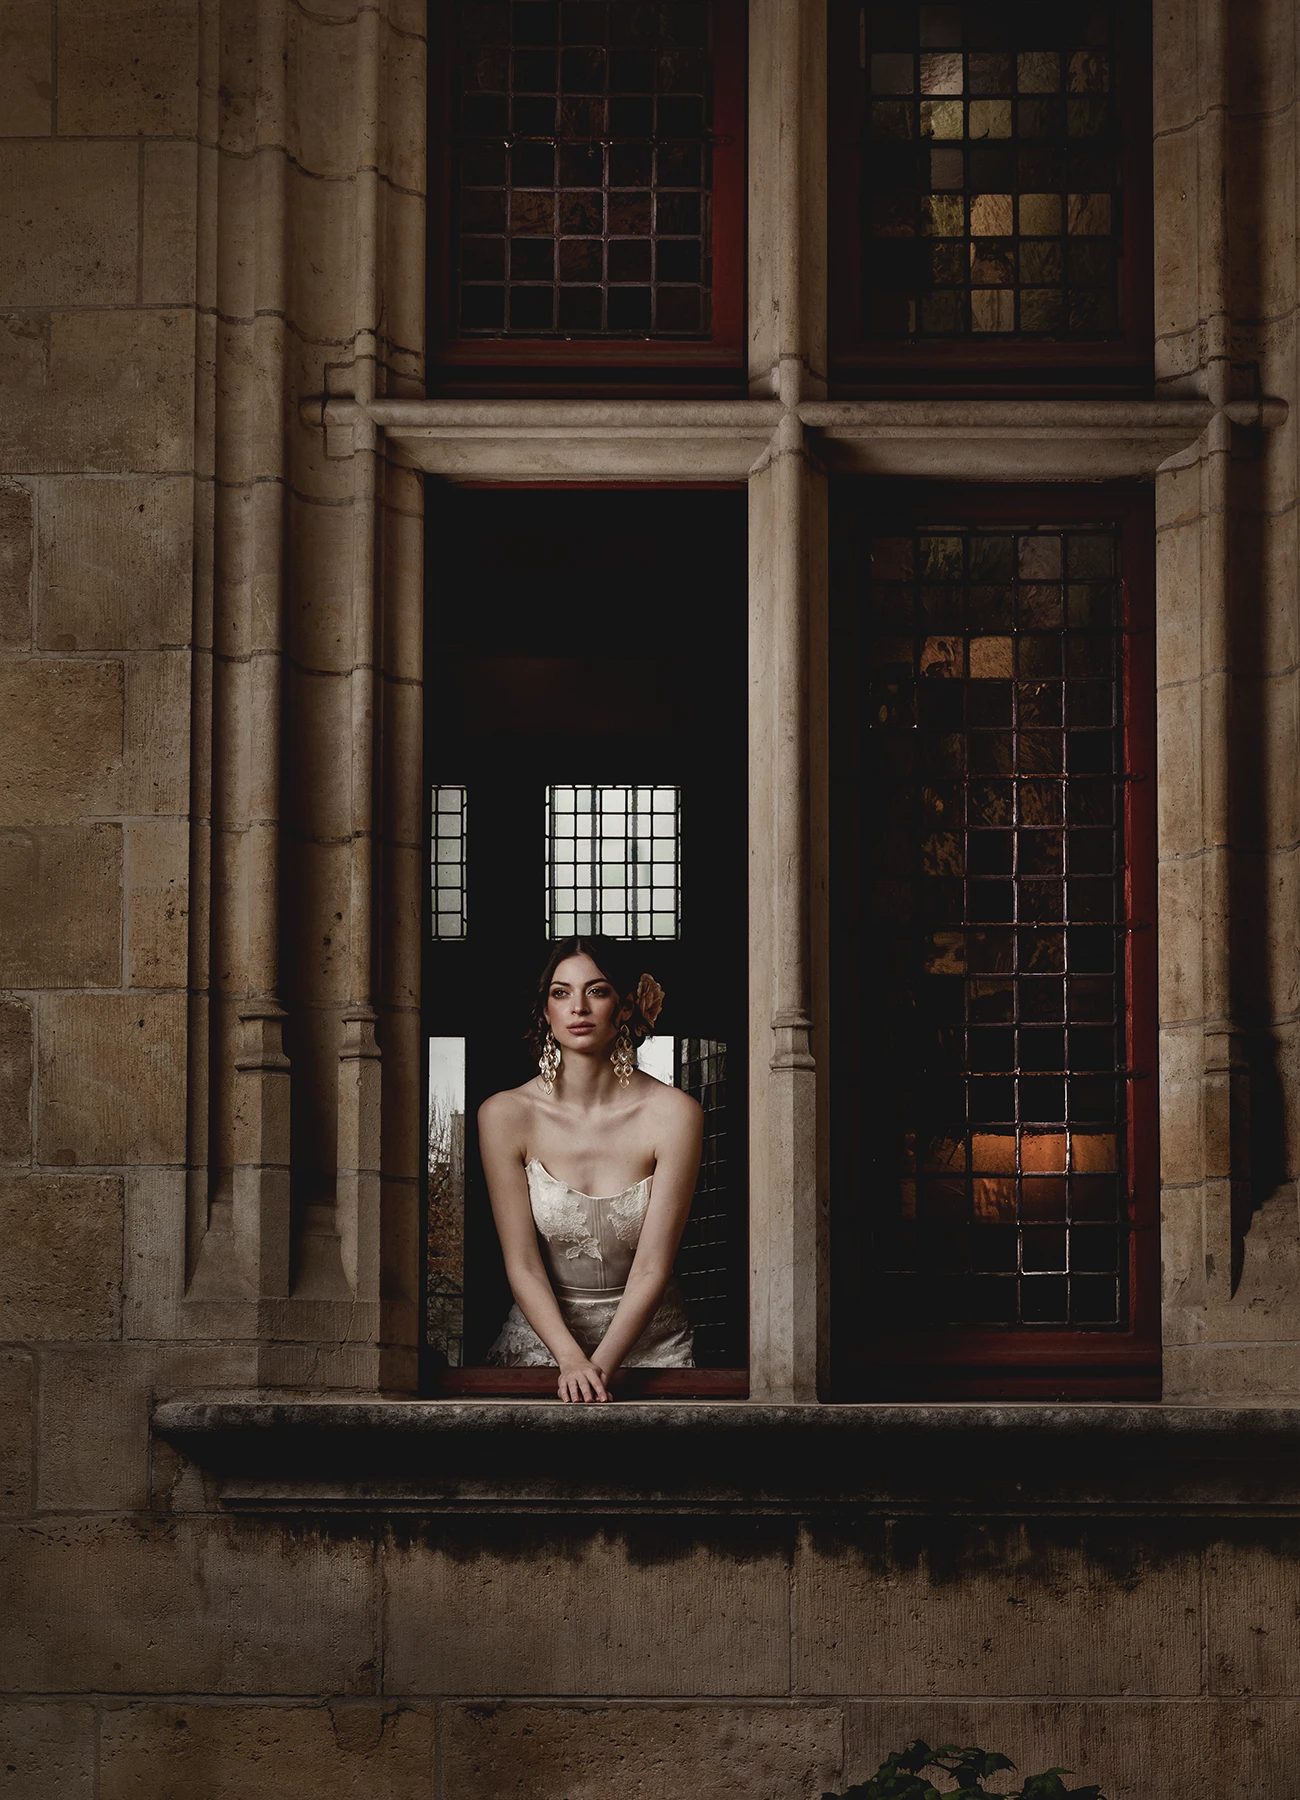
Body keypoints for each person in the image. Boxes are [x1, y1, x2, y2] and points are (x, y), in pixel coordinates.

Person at [479, 935, 703, 1401]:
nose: (578, 1007)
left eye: (596, 991)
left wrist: (596, 1368)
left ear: (626, 1007)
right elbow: (522, 1264)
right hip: (546, 1346)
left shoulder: (675, 1115)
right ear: (546, 1012)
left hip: (652, 1347)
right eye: (560, 993)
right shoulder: (504, 1115)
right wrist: (571, 1360)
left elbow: (652, 1267)